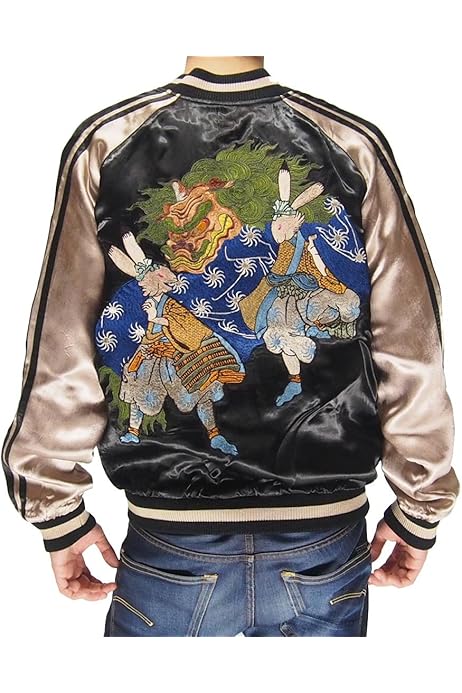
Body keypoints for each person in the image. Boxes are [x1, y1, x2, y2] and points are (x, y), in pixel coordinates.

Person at [2, 55, 458, 637]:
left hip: (170, 538)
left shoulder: (107, 142)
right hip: (323, 540)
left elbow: (60, 342)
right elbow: (413, 341)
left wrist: (56, 510)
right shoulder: (352, 143)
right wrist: (420, 504)